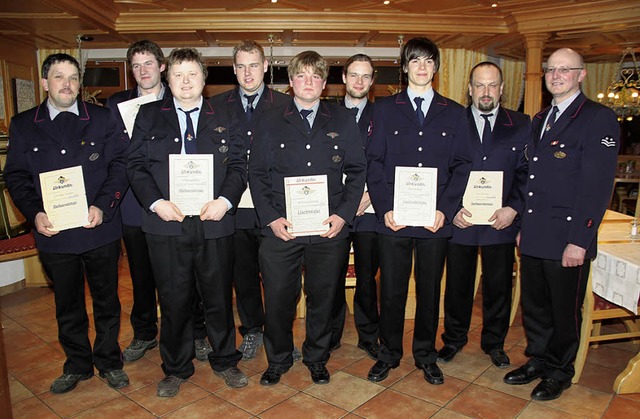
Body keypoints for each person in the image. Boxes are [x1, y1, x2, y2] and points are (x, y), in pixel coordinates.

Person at [4, 53, 130, 393]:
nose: (66, 84)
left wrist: (103, 206)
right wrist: (35, 214)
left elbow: (120, 166)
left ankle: (109, 361)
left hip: (99, 229)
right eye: (59, 77)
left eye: (73, 77)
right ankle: (77, 364)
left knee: (107, 301)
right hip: (54, 233)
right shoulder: (23, 124)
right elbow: (16, 177)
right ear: (45, 83)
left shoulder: (104, 119)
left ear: (79, 83)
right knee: (67, 304)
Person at [127, 47, 248, 397]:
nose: (185, 81)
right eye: (178, 74)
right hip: (166, 223)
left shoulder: (228, 114)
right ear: (168, 78)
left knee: (219, 297)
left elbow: (240, 165)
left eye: (192, 74)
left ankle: (226, 359)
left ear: (204, 79)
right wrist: (155, 203)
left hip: (215, 222)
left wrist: (225, 202)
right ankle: (176, 367)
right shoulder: (148, 115)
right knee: (174, 297)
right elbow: (135, 166)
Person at [503, 48, 619, 401]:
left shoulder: (598, 118)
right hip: (537, 232)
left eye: (564, 70)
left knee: (564, 310)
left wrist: (580, 240)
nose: (556, 75)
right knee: (535, 306)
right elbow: (532, 179)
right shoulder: (540, 119)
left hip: (568, 236)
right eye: (551, 69)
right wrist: (523, 224)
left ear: (581, 75)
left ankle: (560, 370)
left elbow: (598, 186)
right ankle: (538, 359)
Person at [249, 50, 366, 386]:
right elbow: (256, 172)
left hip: (329, 229)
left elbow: (357, 171)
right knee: (278, 298)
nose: (309, 82)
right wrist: (271, 218)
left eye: (316, 76)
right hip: (281, 228)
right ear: (291, 81)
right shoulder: (269, 118)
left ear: (325, 83)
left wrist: (343, 216)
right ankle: (279, 359)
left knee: (324, 298)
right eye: (302, 75)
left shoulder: (343, 119)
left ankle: (316, 357)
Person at [365, 37, 472, 385]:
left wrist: (446, 208)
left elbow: (462, 164)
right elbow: (374, 162)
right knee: (392, 291)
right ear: (405, 67)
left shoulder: (455, 112)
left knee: (430, 290)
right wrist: (384, 210)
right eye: (415, 61)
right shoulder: (382, 109)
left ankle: (425, 354)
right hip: (393, 219)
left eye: (428, 61)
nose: (422, 67)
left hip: (435, 221)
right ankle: (389, 353)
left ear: (436, 68)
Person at [107, 40, 212, 363]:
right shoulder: (117, 105)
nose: (143, 71)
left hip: (190, 206)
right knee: (142, 275)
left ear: (161, 68)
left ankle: (196, 331)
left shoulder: (181, 97)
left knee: (188, 277)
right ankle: (144, 333)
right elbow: (121, 156)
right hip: (137, 204)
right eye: (136, 66)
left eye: (148, 64)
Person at [438, 62, 530, 368]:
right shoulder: (452, 122)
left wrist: (513, 208)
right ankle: (453, 339)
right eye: (480, 85)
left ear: (502, 89)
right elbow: (442, 171)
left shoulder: (521, 123)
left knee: (499, 286)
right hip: (461, 219)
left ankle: (494, 343)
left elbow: (527, 173)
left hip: (499, 221)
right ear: (470, 89)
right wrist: (451, 210)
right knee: (457, 286)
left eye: (492, 85)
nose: (486, 92)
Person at [209, 40, 291, 360]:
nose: (247, 72)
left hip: (274, 205)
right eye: (241, 66)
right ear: (233, 68)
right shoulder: (216, 105)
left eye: (254, 65)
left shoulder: (286, 104)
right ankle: (253, 330)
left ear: (265, 66)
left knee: (278, 277)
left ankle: (279, 336)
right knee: (242, 275)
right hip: (235, 207)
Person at [329, 54, 380, 359]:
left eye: (366, 76)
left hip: (370, 208)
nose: (359, 82)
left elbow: (388, 159)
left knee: (366, 276)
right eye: (354, 75)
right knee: (332, 274)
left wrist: (371, 193)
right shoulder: (328, 115)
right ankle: (331, 332)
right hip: (335, 209)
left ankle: (368, 334)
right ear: (344, 78)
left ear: (372, 81)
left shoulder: (383, 115)